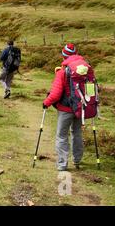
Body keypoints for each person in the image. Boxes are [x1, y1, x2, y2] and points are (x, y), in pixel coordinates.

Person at [42, 43, 85, 171]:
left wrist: (46, 102)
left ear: (64, 57)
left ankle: (62, 164)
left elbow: (55, 94)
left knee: (61, 135)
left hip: (65, 109)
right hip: (79, 107)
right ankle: (77, 160)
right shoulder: (84, 70)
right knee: (77, 133)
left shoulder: (62, 72)